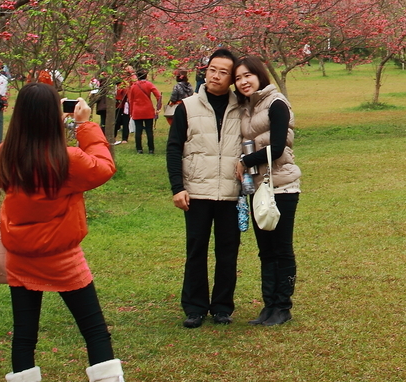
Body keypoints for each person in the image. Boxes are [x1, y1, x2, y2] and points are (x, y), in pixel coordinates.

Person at [0, 83, 153, 382]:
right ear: (56, 114)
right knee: (93, 329)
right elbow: (103, 168)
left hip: (21, 255)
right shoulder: (64, 158)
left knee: (24, 335)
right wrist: (85, 125)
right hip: (62, 255)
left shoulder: (6, 153)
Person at [166, 49, 244, 327]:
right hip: (197, 191)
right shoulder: (187, 106)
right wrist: (178, 187)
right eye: (213, 69)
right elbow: (174, 149)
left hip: (231, 192)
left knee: (228, 250)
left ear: (232, 78)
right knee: (196, 249)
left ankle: (223, 306)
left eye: (224, 72)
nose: (216, 76)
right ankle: (195, 307)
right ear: (205, 70)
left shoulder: (242, 106)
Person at [232, 55, 302, 326]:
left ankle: (283, 306)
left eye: (247, 75)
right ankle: (269, 305)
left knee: (281, 248)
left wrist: (244, 161)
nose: (243, 82)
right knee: (265, 250)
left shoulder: (276, 103)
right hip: (259, 188)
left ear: (260, 75)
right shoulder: (248, 108)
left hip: (282, 187)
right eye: (238, 78)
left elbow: (278, 146)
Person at [127, 69, 162, 154]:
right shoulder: (149, 84)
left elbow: (130, 100)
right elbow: (158, 96)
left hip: (137, 111)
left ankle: (139, 149)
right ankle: (151, 149)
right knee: (149, 130)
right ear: (146, 76)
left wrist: (131, 112)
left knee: (138, 131)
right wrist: (158, 107)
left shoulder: (133, 86)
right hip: (148, 110)